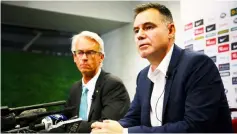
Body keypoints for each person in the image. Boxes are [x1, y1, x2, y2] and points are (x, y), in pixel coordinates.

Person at [91, 3, 233, 133]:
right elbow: (133, 118)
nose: (140, 35)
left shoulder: (198, 65)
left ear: (170, 30)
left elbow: (195, 127)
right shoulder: (143, 76)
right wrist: (108, 128)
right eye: (136, 30)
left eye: (148, 27)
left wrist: (124, 132)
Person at [51, 31, 130, 133]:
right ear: (74, 57)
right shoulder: (75, 88)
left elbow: (105, 128)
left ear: (101, 57)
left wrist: (71, 126)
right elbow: (65, 118)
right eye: (80, 52)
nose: (84, 58)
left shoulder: (113, 85)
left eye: (90, 52)